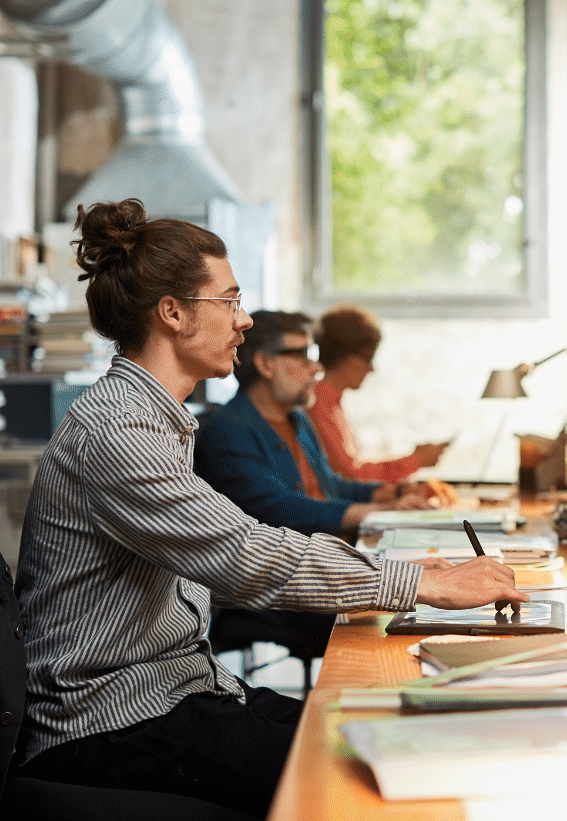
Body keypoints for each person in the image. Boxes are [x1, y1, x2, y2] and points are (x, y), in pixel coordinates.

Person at [12, 199, 526, 820]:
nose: (245, 319)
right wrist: (421, 583)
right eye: (228, 301)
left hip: (179, 694)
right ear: (172, 313)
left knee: (383, 720)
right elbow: (246, 553)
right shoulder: (120, 431)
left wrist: (421, 579)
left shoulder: (157, 420)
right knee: (368, 778)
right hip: (110, 723)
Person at [195, 309, 432, 538]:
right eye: (303, 356)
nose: (317, 368)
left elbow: (328, 485)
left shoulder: (298, 420)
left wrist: (393, 492)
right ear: (266, 365)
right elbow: (280, 509)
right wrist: (382, 512)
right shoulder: (226, 432)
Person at [308, 305, 452, 484]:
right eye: (368, 358)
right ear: (346, 357)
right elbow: (350, 476)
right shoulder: (318, 405)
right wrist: (416, 461)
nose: (371, 369)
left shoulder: (331, 403)